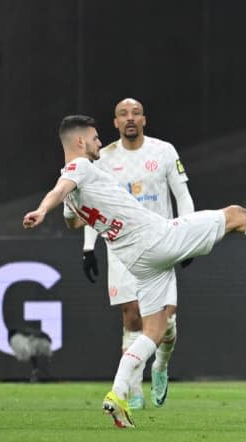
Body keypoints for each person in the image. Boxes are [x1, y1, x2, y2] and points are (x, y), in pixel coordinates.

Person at [23, 115, 246, 428]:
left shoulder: (74, 188)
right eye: (94, 137)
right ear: (79, 141)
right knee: (234, 215)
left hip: (136, 259)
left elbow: (71, 218)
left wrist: (75, 209)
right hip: (156, 238)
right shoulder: (80, 167)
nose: (99, 142)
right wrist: (41, 208)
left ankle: (117, 395)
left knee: (154, 329)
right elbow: (59, 190)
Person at [81, 98, 193, 411]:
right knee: (132, 317)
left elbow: (182, 196)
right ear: (115, 123)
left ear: (144, 119)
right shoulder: (103, 158)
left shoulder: (164, 151)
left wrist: (187, 234)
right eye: (122, 115)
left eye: (135, 113)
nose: (130, 118)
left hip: (160, 241)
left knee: (165, 320)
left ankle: (160, 365)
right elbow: (93, 208)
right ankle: (133, 389)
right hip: (121, 246)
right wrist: (89, 248)